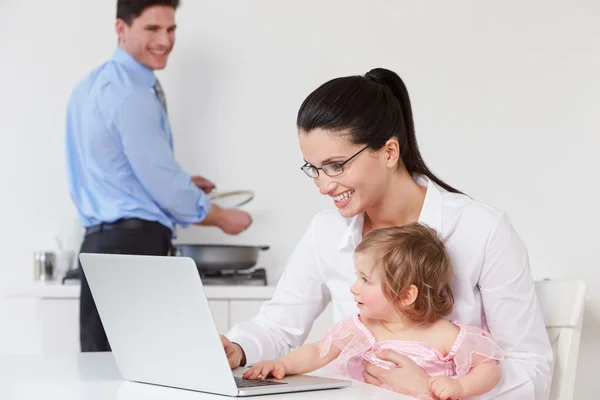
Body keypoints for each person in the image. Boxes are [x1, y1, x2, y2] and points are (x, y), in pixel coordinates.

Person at [222, 68, 552, 399]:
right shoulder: (326, 231)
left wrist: (435, 391)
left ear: (389, 152)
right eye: (314, 169)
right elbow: (279, 326)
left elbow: (530, 366)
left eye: (336, 165)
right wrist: (237, 348)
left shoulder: (482, 230)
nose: (323, 185)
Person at [65, 0, 252, 352]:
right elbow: (164, 182)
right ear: (122, 29)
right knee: (142, 369)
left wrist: (181, 183)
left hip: (100, 247)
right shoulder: (133, 92)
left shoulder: (89, 86)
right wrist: (220, 216)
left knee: (103, 368)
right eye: (152, 29)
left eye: (171, 29)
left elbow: (114, 168)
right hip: (132, 249)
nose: (164, 40)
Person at [243, 223, 505, 400]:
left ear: (405, 295)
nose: (354, 288)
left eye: (366, 280)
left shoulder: (446, 335)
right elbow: (317, 351)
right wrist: (282, 364)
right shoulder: (362, 328)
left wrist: (459, 387)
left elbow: (488, 369)